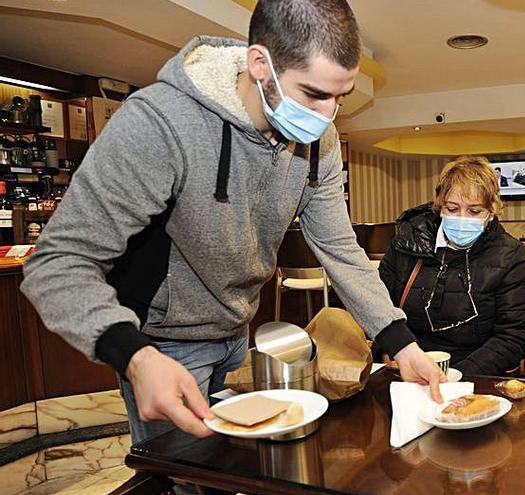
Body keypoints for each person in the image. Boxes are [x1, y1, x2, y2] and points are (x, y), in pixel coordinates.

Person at [20, 0, 445, 446]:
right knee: (185, 474)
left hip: (240, 335)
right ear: (260, 63)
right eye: (313, 95)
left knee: (237, 466)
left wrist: (401, 343)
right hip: (164, 345)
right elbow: (58, 262)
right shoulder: (161, 120)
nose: (325, 117)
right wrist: (134, 357)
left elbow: (340, 249)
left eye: (340, 97)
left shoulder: (322, 142)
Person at [378, 156, 525, 375]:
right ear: (440, 207)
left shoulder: (512, 256)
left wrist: (456, 376)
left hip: (475, 374)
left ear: (491, 212)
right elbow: (378, 307)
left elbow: (513, 336)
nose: (462, 218)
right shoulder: (406, 244)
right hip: (406, 366)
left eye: (474, 211)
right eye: (452, 209)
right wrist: (391, 348)